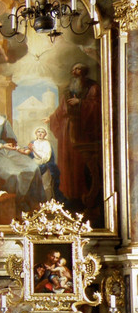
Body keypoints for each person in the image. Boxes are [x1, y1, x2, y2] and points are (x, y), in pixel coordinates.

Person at [0, 94, 45, 213]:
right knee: (12, 174)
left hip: (7, 151)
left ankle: (35, 204)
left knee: (32, 167)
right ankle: (17, 206)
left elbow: (10, 139)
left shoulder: (2, 119)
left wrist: (17, 148)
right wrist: (1, 146)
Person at [48, 63, 101, 207]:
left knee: (78, 162)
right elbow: (61, 109)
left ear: (84, 72)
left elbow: (97, 106)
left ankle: (81, 194)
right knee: (66, 161)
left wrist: (81, 102)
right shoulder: (69, 89)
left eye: (77, 69)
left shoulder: (92, 87)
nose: (74, 71)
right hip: (67, 130)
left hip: (83, 131)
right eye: (73, 69)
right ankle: (68, 193)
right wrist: (52, 118)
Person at [27, 126, 62, 201]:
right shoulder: (33, 143)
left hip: (45, 166)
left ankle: (48, 203)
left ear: (45, 134)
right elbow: (27, 152)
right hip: (33, 166)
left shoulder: (46, 143)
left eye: (42, 132)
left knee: (46, 186)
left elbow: (45, 158)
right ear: (36, 133)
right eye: (38, 132)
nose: (40, 133)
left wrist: (34, 150)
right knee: (34, 186)